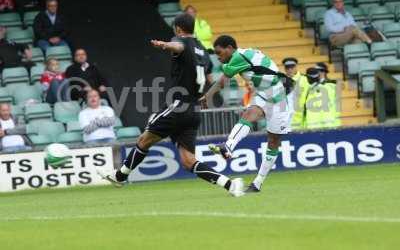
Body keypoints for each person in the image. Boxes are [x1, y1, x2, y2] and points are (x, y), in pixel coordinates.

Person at [97, 13, 245, 197]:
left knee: (144, 140)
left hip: (178, 107)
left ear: (178, 29)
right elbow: (208, 79)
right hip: (193, 110)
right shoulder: (204, 52)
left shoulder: (181, 40)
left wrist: (165, 45)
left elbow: (179, 46)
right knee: (188, 161)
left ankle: (120, 177)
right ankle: (230, 185)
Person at [201, 35, 294, 193]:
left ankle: (258, 182)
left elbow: (223, 81)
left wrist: (207, 96)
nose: (218, 56)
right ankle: (228, 147)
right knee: (248, 115)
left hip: (279, 99)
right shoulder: (244, 54)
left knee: (273, 142)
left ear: (230, 48)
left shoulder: (238, 57)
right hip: (264, 94)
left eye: (219, 52)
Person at [282, 57, 308, 129]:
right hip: (287, 118)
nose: (290, 70)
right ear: (284, 68)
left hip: (303, 117)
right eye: (287, 68)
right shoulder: (281, 81)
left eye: (292, 67)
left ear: (296, 66)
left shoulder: (305, 79)